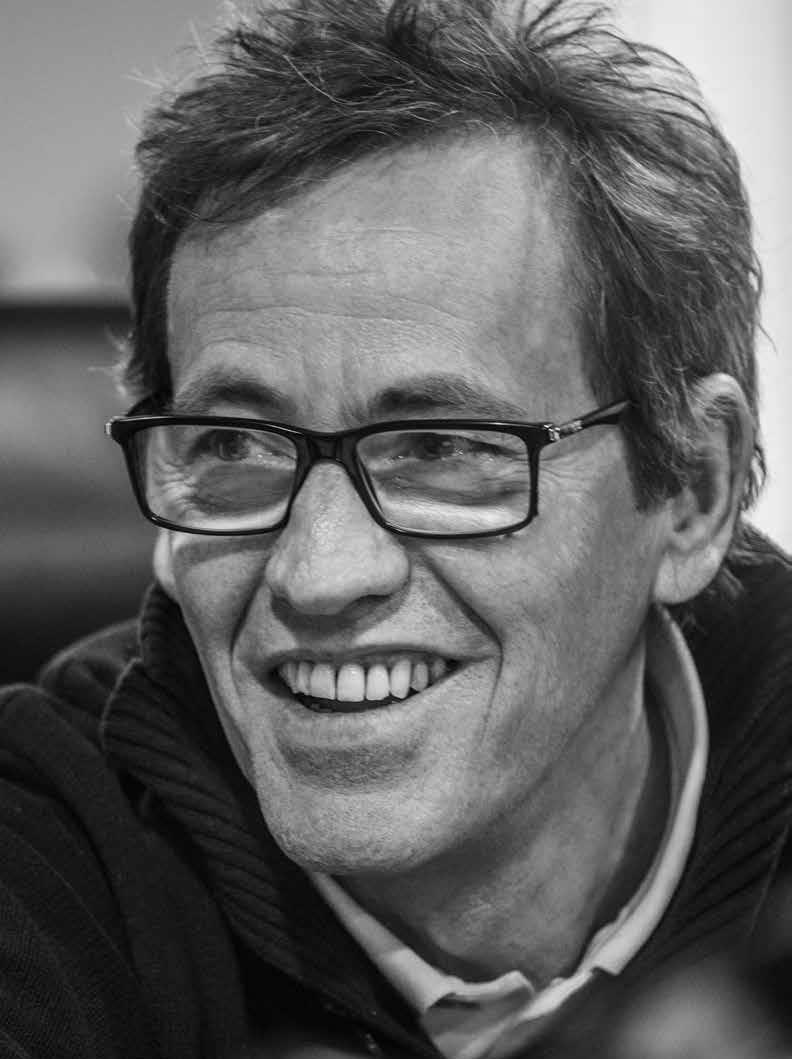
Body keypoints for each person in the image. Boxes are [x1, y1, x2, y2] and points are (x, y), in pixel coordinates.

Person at [2, 1, 791, 1056]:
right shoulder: (40, 858)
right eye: (235, 444)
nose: (319, 574)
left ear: (692, 488)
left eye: (439, 447)